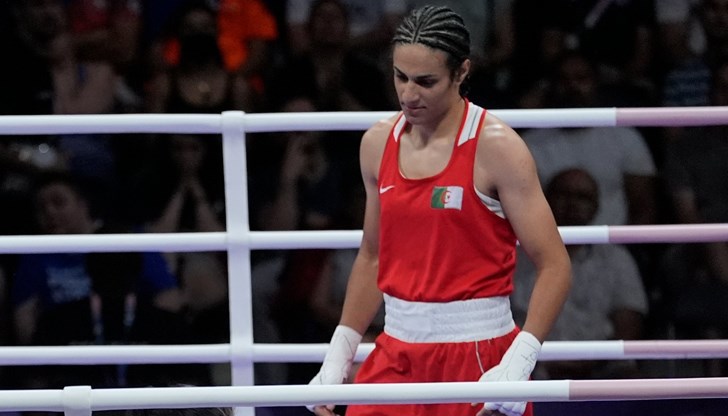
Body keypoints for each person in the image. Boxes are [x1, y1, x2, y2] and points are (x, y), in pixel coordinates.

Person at [307, 6, 571, 416]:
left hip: (479, 356)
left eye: (425, 81)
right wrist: (338, 354)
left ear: (461, 72)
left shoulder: (497, 147)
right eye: (401, 77)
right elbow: (373, 255)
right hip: (395, 353)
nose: (408, 94)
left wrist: (519, 362)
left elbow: (554, 264)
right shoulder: (377, 144)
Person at [512, 168, 648, 380]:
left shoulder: (617, 259)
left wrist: (593, 362)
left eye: (582, 197)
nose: (573, 203)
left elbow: (629, 324)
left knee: (630, 378)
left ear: (596, 206)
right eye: (564, 194)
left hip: (600, 368)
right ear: (545, 200)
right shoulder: (516, 255)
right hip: (527, 365)